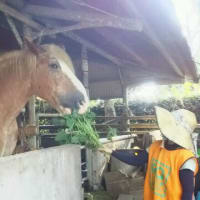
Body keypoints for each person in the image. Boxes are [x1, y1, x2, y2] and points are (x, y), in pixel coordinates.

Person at [101, 106, 199, 200]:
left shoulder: (186, 159)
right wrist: (112, 152)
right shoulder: (156, 146)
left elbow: (187, 193)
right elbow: (137, 158)